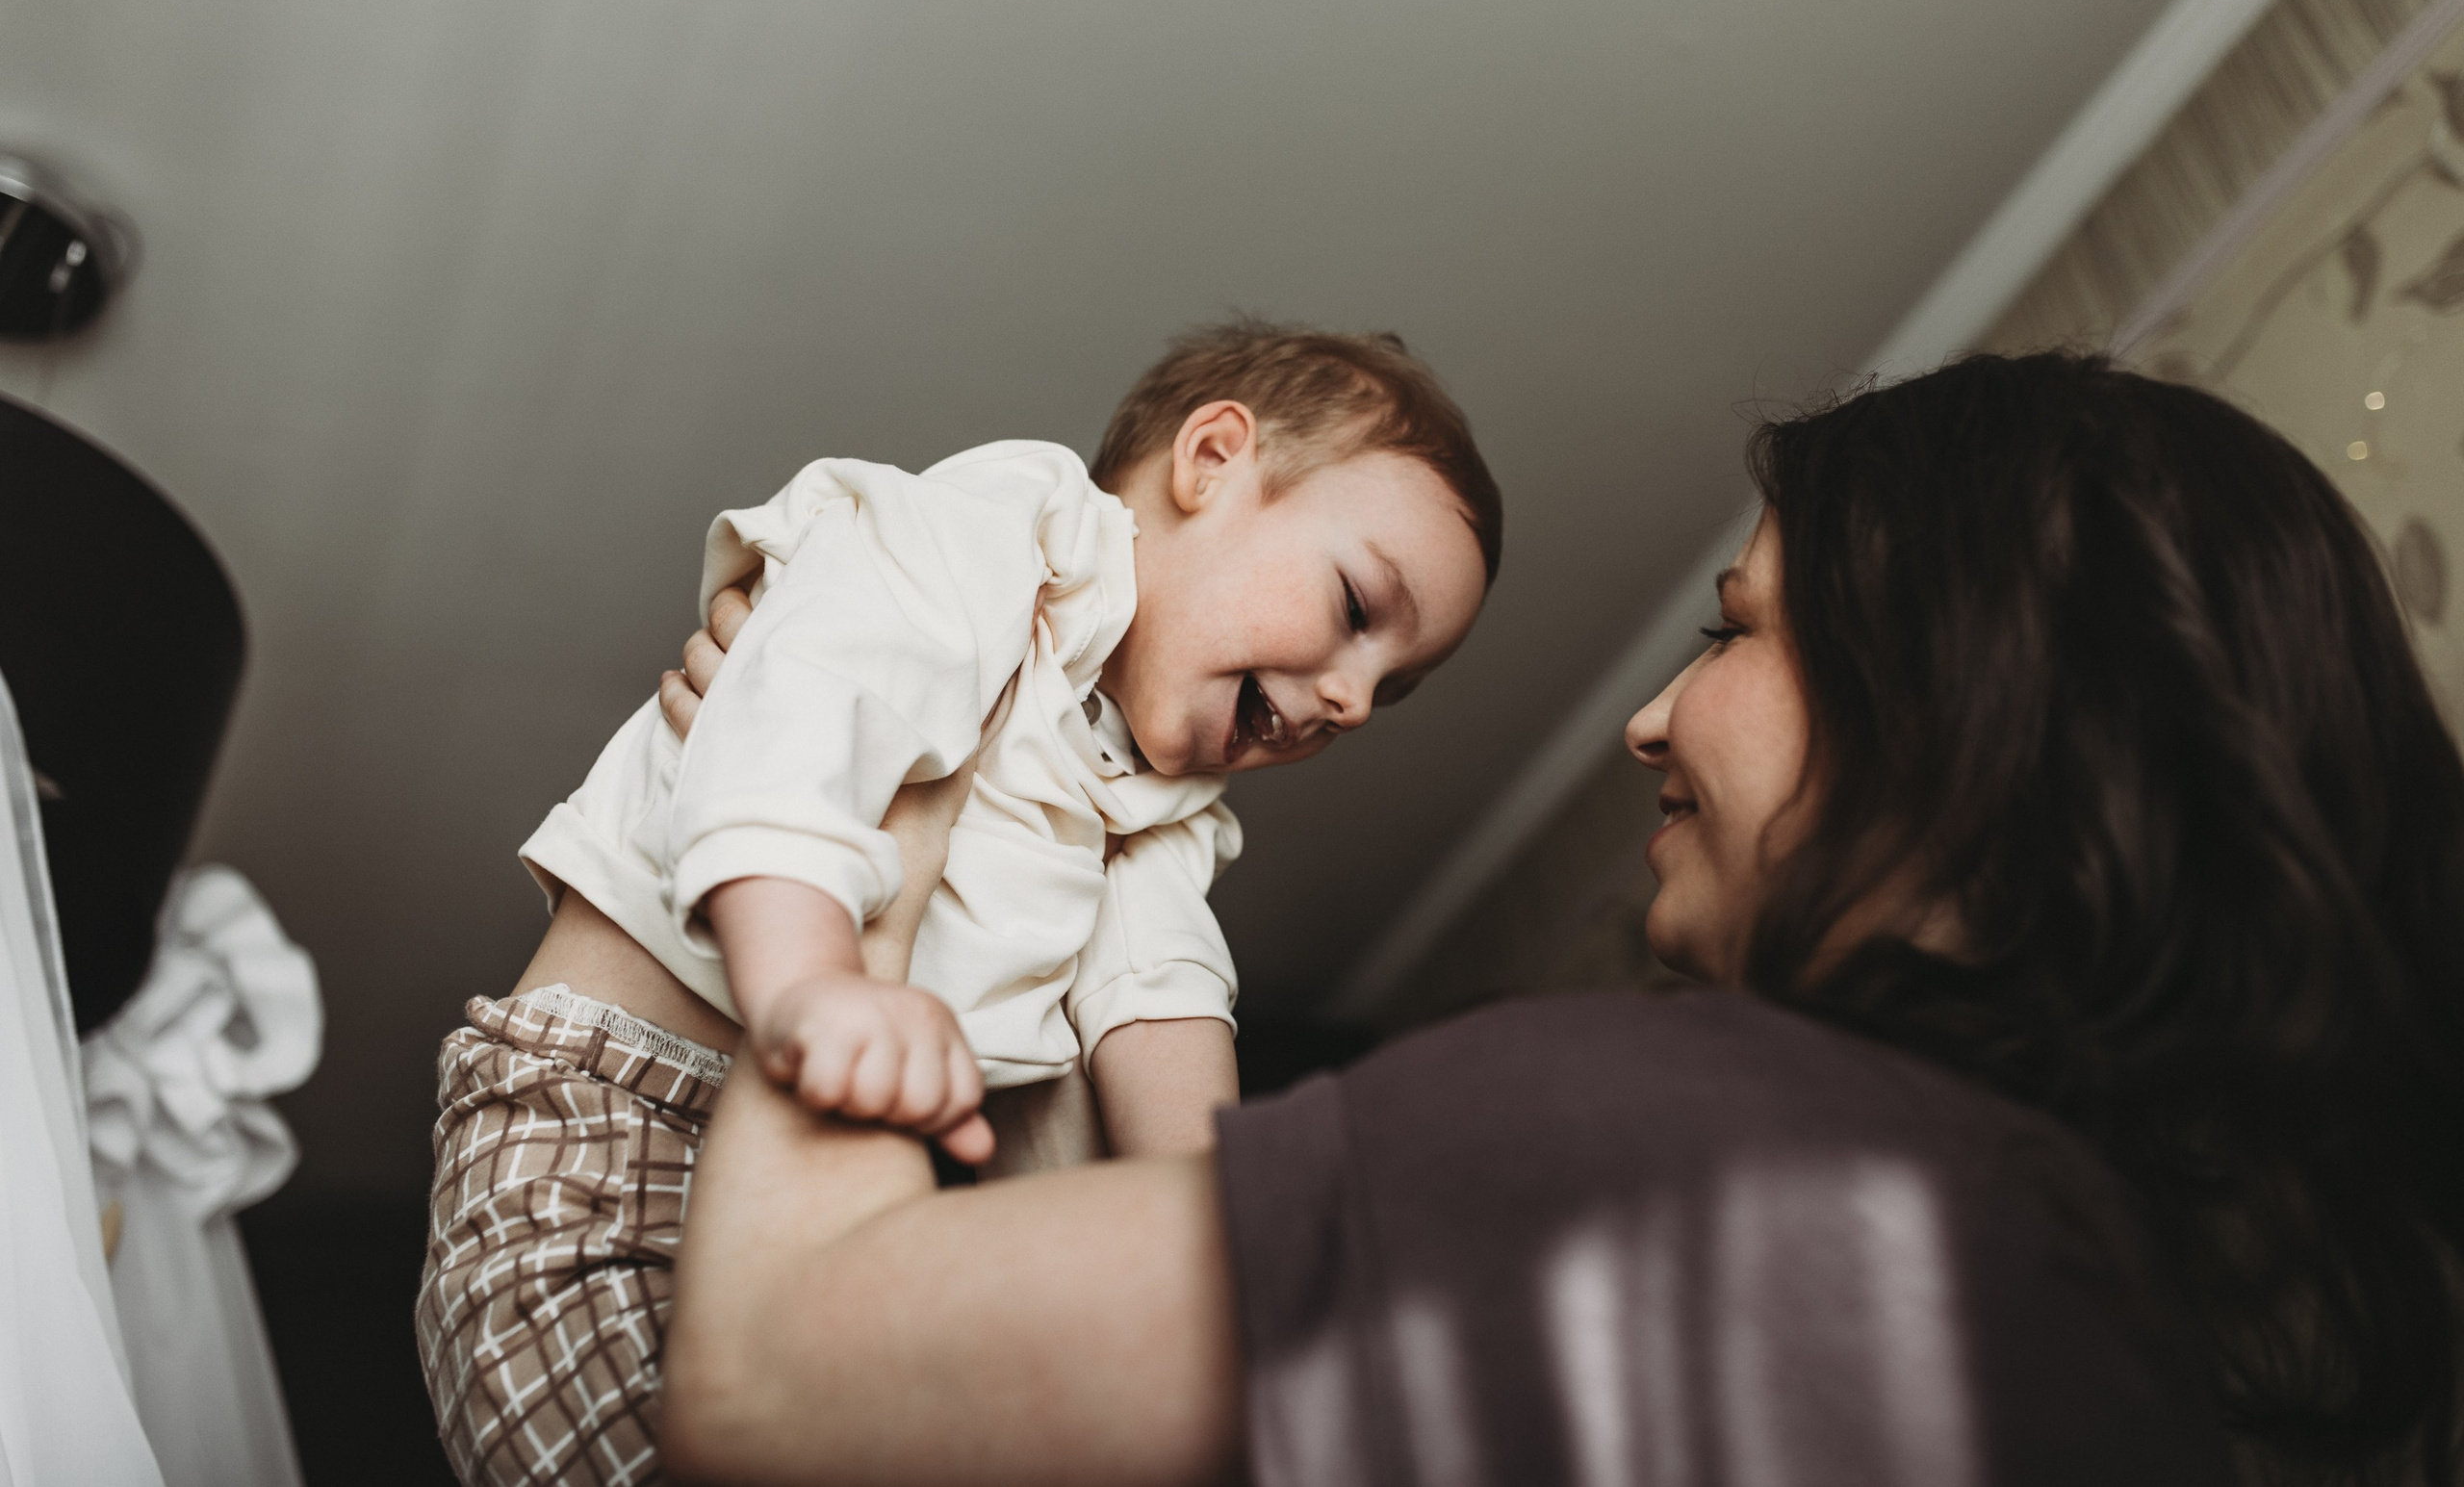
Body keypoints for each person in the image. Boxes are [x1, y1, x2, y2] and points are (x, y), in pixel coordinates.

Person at [655, 353, 2464, 1487]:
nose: (1652, 716)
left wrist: (898, 786)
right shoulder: (2109, 1354)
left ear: (1955, 701)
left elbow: (771, 1379)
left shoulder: (1713, 1152)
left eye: (1737, 628)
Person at [418, 320, 1502, 1487]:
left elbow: (1160, 999)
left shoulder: (1161, 801)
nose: (1347, 698)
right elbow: (812, 706)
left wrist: (1223, 1220)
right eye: (1353, 607)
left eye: (1387, 690)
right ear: (1211, 462)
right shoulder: (1009, 539)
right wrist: (812, 981)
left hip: (819, 1228)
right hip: (605, 1129)